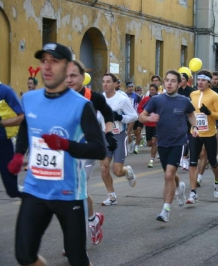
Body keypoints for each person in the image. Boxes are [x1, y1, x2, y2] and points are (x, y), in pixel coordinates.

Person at [7, 42, 106, 266]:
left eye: (54, 61)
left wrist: (65, 144)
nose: (47, 67)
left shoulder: (81, 105)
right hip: (35, 190)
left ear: (68, 66)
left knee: (77, 259)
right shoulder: (30, 99)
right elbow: (26, 127)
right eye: (43, 61)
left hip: (68, 193)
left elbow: (99, 149)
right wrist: (19, 153)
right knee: (24, 255)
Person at [65, 59, 117, 245]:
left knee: (77, 190)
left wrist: (109, 133)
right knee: (74, 191)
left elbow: (108, 114)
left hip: (87, 149)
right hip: (65, 150)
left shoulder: (93, 97)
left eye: (73, 76)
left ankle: (76, 242)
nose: (69, 80)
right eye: (66, 76)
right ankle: (93, 219)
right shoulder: (59, 96)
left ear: (82, 77)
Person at [139, 69, 199, 222]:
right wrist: (149, 117)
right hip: (163, 142)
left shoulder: (184, 101)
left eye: (173, 81)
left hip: (178, 142)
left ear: (179, 84)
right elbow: (141, 116)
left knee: (167, 176)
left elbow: (191, 115)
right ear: (164, 82)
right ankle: (180, 187)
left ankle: (165, 210)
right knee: (170, 174)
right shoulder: (157, 100)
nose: (170, 83)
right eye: (167, 80)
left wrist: (195, 127)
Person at [186, 69, 218, 203]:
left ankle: (217, 181)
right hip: (195, 133)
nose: (200, 82)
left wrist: (209, 113)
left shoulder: (214, 96)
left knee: (213, 162)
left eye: (203, 80)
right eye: (199, 79)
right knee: (193, 162)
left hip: (209, 134)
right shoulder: (193, 94)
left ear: (209, 83)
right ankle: (193, 192)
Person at [101, 73, 138, 206]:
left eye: (108, 82)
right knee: (104, 168)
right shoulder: (100, 99)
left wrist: (120, 117)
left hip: (118, 136)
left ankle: (127, 171)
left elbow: (134, 116)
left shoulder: (122, 99)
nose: (105, 84)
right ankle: (112, 196)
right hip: (104, 136)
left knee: (117, 171)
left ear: (115, 84)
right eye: (103, 82)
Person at [0, 84, 24, 198]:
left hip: (3, 143)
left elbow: (21, 117)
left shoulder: (6, 91)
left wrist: (1, 123)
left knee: (12, 190)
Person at [177, 73, 196, 170]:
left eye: (183, 79)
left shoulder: (192, 91)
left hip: (189, 116)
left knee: (188, 138)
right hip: (179, 117)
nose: (181, 81)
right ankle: (181, 157)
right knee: (180, 138)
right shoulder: (176, 91)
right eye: (179, 79)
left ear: (187, 80)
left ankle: (185, 158)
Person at [137, 84, 159, 168]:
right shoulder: (145, 99)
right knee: (149, 143)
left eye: (153, 89)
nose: (152, 91)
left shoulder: (159, 99)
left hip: (156, 125)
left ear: (156, 90)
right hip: (148, 123)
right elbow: (139, 108)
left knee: (154, 141)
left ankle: (151, 160)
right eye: (151, 89)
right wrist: (144, 115)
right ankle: (157, 147)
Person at [126, 82, 143, 154]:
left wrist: (140, 113)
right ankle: (131, 143)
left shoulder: (136, 96)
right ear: (126, 87)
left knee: (137, 132)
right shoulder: (124, 95)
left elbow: (141, 104)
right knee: (128, 132)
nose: (131, 88)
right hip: (127, 115)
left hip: (135, 115)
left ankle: (136, 146)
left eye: (132, 87)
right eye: (129, 87)